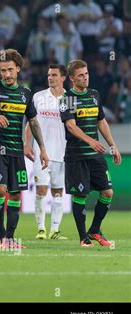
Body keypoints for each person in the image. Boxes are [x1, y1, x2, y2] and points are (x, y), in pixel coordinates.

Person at [0, 49, 49, 249]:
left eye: (10, 70)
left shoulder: (25, 94)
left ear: (18, 68)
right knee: (0, 190)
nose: (6, 74)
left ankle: (9, 238)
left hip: (16, 151)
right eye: (2, 70)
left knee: (15, 195)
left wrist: (41, 148)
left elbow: (33, 122)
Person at [60, 59, 121, 247]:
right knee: (80, 195)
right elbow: (71, 126)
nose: (85, 78)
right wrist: (91, 141)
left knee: (108, 192)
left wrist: (113, 145)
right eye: (81, 75)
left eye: (86, 74)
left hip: (95, 155)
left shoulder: (94, 95)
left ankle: (94, 230)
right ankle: (82, 238)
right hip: (77, 155)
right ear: (72, 78)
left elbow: (101, 121)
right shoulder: (67, 99)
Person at [24, 64, 68, 240]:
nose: (50, 78)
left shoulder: (70, 99)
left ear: (63, 78)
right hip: (41, 153)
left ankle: (55, 230)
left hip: (63, 153)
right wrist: (27, 144)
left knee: (58, 192)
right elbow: (30, 122)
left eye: (54, 75)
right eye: (49, 75)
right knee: (41, 190)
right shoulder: (38, 97)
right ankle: (41, 229)